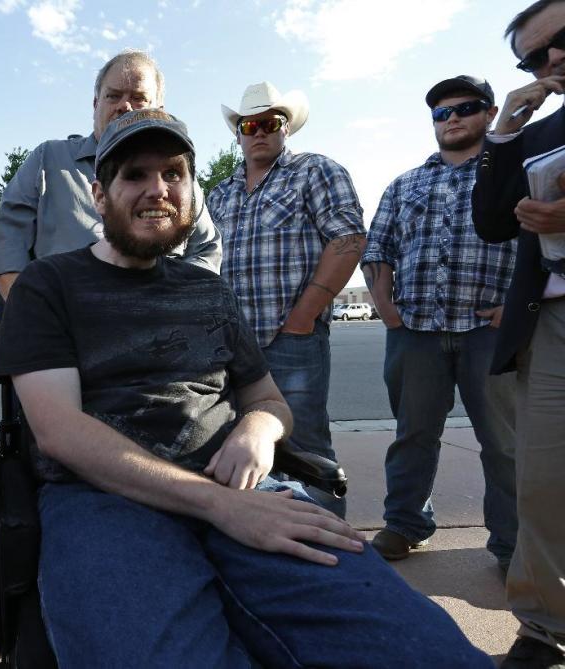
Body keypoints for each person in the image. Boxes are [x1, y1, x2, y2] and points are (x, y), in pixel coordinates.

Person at [0, 108, 491, 668]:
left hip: (239, 482)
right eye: (135, 175)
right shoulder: (48, 284)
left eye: (174, 173)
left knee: (430, 651)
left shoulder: (208, 289)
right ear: (99, 194)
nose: (157, 189)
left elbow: (270, 401)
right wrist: (220, 506)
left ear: (191, 191)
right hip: (104, 499)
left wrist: (257, 430)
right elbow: (59, 432)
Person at [362, 75, 519, 568]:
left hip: (489, 333)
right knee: (413, 434)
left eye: (465, 108)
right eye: (441, 113)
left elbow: (541, 245)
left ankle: (511, 542)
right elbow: (378, 249)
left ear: (489, 114)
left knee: (503, 441)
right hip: (416, 332)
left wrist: (517, 306)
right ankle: (406, 523)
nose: (451, 119)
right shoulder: (405, 183)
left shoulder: (511, 175)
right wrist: (388, 311)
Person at [206, 82, 365, 517]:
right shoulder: (219, 194)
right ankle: (266, 540)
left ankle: (333, 553)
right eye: (249, 124)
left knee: (306, 446)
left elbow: (349, 238)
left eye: (270, 123)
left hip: (290, 337)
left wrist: (302, 316)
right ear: (237, 133)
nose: (259, 131)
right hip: (232, 346)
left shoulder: (314, 171)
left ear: (286, 128)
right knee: (240, 443)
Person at [472, 2, 565, 665]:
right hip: (553, 317)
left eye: (563, 42)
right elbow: (492, 220)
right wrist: (507, 123)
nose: (553, 60)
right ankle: (543, 626)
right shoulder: (541, 130)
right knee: (544, 476)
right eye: (535, 56)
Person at [0, 49, 220, 300]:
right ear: (96, 103)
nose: (124, 106)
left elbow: (207, 250)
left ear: (160, 110)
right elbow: (6, 246)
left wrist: (175, 308)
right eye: (113, 96)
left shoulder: (182, 182)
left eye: (139, 97)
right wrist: (36, 316)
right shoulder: (49, 160)